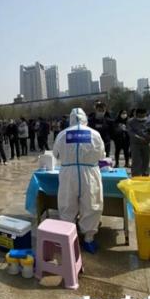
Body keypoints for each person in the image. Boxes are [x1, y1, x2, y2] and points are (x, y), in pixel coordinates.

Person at [52, 108, 105, 254]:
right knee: (92, 204)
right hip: (90, 173)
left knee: (67, 204)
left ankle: (68, 239)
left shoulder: (62, 134)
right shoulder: (95, 134)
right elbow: (101, 155)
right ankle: (89, 239)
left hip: (68, 173)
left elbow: (55, 154)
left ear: (70, 119)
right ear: (85, 118)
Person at [128, 109, 150, 177]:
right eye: (140, 116)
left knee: (146, 160)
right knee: (136, 161)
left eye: (143, 116)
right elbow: (130, 132)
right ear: (136, 115)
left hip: (147, 143)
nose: (142, 118)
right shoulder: (131, 121)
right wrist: (139, 138)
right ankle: (136, 176)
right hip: (135, 144)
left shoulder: (149, 121)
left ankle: (146, 175)